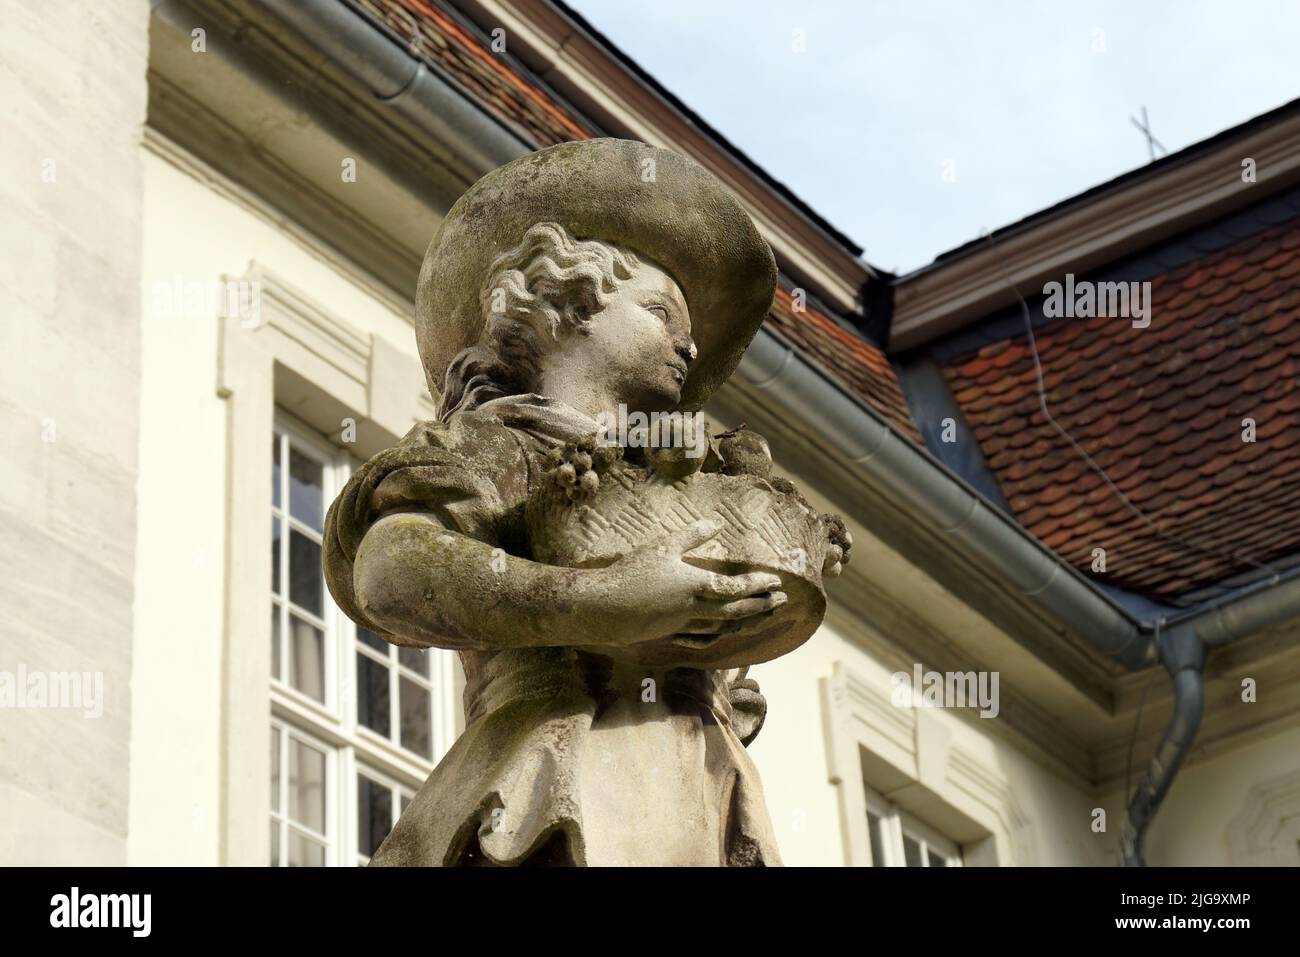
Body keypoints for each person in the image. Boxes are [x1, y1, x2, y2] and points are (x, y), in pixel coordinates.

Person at [324, 139, 788, 866]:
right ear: (569, 306)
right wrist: (602, 599)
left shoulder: (682, 483)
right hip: (552, 783)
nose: (689, 346)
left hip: (694, 795)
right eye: (663, 312)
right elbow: (389, 569)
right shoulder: (511, 448)